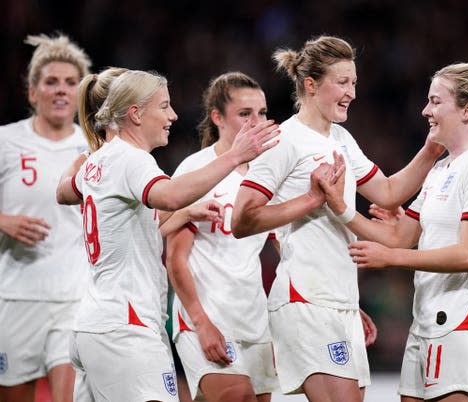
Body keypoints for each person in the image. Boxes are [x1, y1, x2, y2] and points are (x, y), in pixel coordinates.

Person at [232, 35, 444, 402]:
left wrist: (431, 150)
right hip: (305, 297)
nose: (352, 93)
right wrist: (310, 200)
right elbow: (242, 220)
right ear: (311, 85)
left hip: (340, 298)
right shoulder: (284, 140)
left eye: (355, 83)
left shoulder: (341, 139)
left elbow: (389, 192)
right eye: (343, 82)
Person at [55, 69, 279, 401]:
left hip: (94, 325)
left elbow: (65, 193)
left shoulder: (99, 161)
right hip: (125, 329)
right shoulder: (132, 160)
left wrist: (186, 214)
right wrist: (236, 155)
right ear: (135, 113)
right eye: (164, 106)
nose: (172, 115)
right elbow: (171, 195)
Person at [320, 63, 468, 402]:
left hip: (462, 323)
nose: (426, 111)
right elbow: (399, 237)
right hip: (426, 321)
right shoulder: (442, 168)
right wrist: (341, 209)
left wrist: (392, 259)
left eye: (436, 102)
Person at [165, 72, 279, 402]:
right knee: (236, 395)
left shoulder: (269, 173)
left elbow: (286, 245)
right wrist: (201, 323)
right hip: (208, 317)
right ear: (218, 118)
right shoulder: (195, 170)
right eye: (245, 114)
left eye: (261, 112)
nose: (255, 122)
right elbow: (176, 257)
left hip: (254, 322)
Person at [0, 33, 91, 402]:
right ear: (32, 92)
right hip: (16, 296)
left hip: (75, 298)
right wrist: (2, 221)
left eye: (71, 83)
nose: (61, 90)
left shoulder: (94, 148)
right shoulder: (6, 142)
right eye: (50, 81)